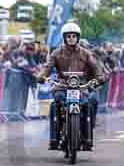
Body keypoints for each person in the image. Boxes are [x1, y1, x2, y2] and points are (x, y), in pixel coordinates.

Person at [41, 22, 105, 150]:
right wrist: (42, 76)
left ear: (78, 37)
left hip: (81, 86)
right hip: (62, 86)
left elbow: (96, 68)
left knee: (88, 103)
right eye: (68, 36)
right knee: (56, 103)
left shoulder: (86, 53)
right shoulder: (56, 53)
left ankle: (88, 137)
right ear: (64, 38)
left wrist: (100, 77)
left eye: (74, 36)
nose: (71, 38)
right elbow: (47, 68)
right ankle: (54, 138)